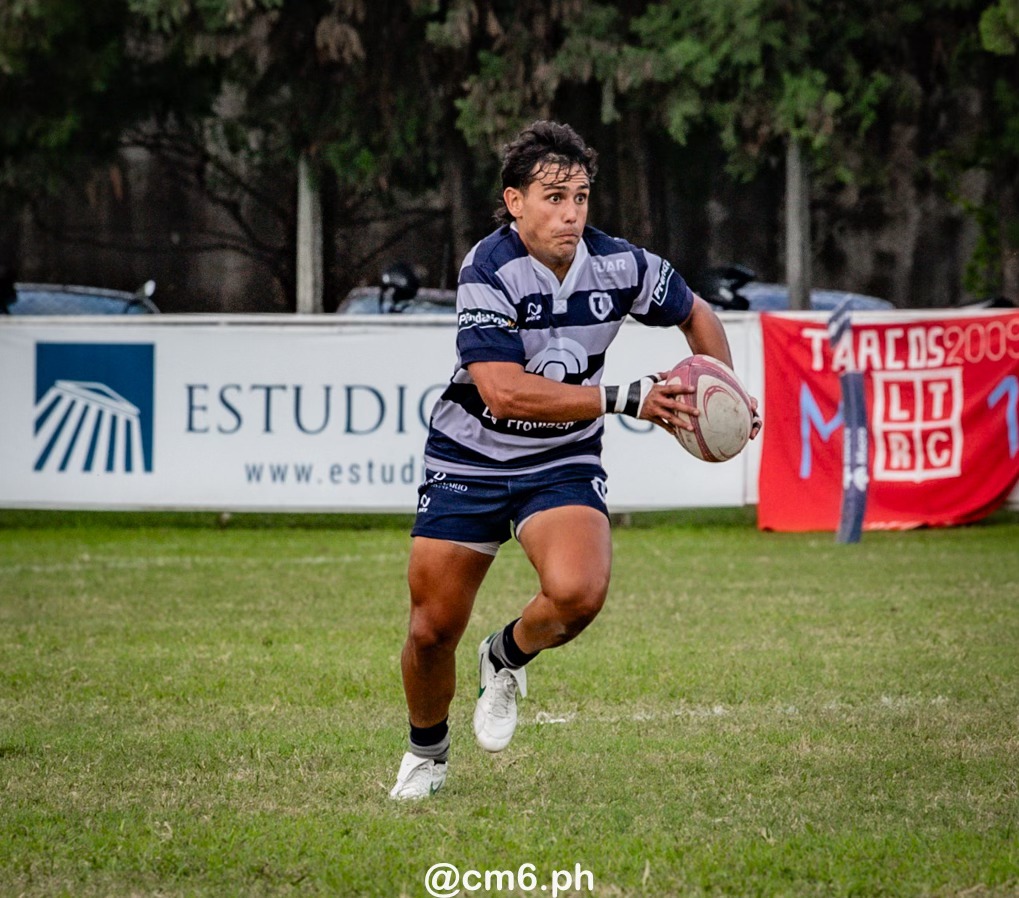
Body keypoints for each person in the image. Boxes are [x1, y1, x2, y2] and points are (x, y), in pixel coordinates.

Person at [390, 120, 761, 799]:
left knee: (577, 595)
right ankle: (427, 753)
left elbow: (697, 311)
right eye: (553, 196)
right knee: (430, 627)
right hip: (468, 457)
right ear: (514, 202)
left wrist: (722, 393)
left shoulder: (622, 265)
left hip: (559, 458)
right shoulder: (488, 267)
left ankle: (503, 657)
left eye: (581, 196)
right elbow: (501, 393)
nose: (570, 212)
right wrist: (624, 397)